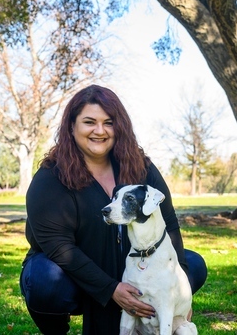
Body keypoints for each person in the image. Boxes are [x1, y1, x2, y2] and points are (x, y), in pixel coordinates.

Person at [20, 84, 207, 335]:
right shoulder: (50, 179)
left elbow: (170, 224)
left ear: (119, 127)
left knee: (193, 265)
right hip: (74, 274)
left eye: (108, 122)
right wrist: (110, 288)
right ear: (71, 126)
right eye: (89, 122)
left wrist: (180, 296)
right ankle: (56, 330)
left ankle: (147, 317)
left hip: (131, 267)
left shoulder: (141, 168)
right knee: (44, 278)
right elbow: (59, 248)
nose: (100, 131)